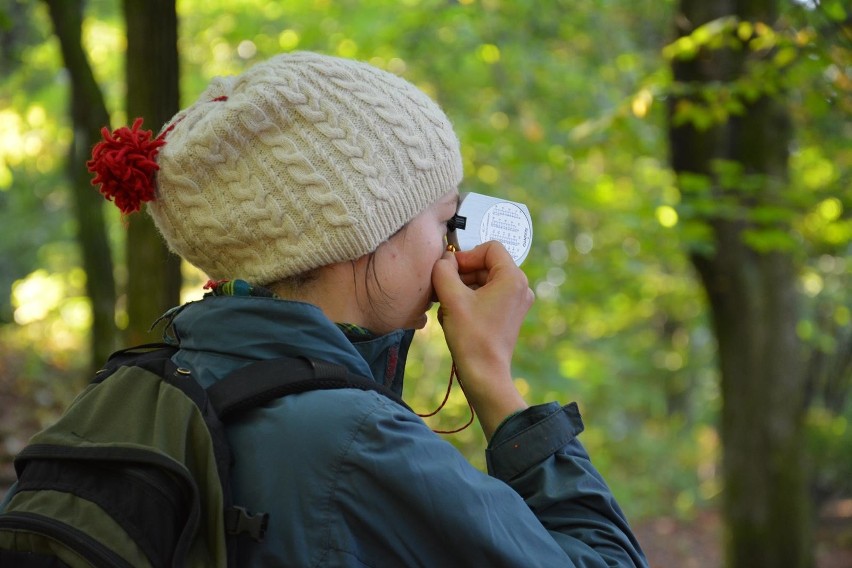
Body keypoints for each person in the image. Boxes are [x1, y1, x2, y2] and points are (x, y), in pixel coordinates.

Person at [87, 51, 648, 566]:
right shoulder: (359, 444)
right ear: (362, 236)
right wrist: (495, 383)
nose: (455, 247)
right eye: (443, 220)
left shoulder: (135, 393)